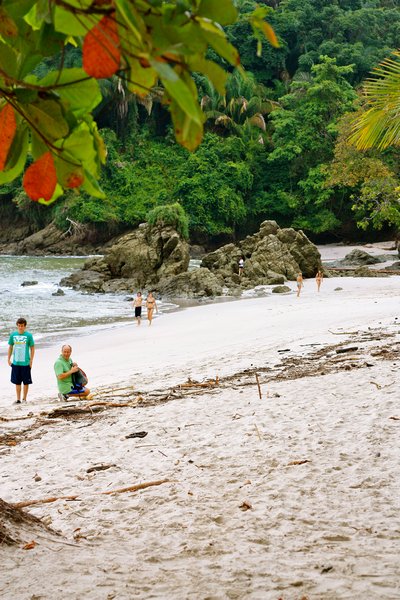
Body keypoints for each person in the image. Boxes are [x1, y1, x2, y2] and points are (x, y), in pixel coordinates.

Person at [8, 317, 35, 404]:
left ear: (25, 326)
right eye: (19, 326)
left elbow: (32, 348)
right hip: (16, 363)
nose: (20, 327)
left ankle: (24, 399)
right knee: (17, 382)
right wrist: (8, 359)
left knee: (26, 382)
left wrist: (31, 361)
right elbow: (10, 347)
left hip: (26, 363)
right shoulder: (13, 335)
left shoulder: (28, 335)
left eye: (22, 326)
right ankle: (18, 399)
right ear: (17, 326)